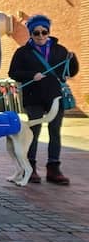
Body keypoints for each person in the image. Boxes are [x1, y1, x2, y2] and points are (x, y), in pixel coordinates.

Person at [8, 15, 77, 185]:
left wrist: (72, 60)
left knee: (55, 132)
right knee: (34, 132)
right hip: (33, 97)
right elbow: (13, 73)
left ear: (48, 32)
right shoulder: (22, 52)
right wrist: (31, 75)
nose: (40, 36)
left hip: (54, 96)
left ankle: (54, 168)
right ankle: (30, 168)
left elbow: (70, 72)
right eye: (36, 33)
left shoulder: (59, 50)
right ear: (30, 34)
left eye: (44, 32)